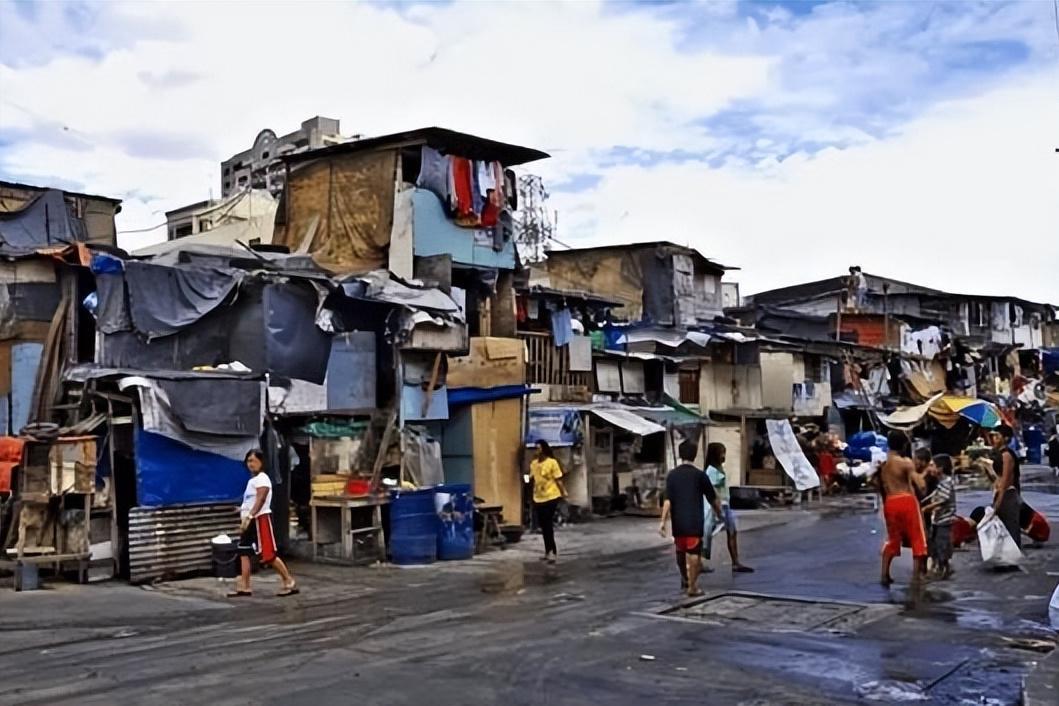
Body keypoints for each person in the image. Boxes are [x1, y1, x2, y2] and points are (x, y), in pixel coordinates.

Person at [230, 450, 298, 598]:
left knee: (268, 554)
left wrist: (250, 515)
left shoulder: (262, 479)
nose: (250, 464)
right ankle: (245, 586)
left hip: (260, 519)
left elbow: (261, 500)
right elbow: (251, 501)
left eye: (253, 461)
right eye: (248, 461)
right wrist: (242, 510)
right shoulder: (252, 481)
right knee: (244, 552)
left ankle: (288, 581)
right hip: (249, 520)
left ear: (261, 462)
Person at [659, 441, 721, 597]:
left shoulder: (672, 476)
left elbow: (668, 500)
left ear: (680, 455)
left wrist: (662, 522)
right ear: (694, 455)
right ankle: (692, 587)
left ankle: (685, 579)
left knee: (681, 551)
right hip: (694, 520)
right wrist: (719, 513)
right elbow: (713, 498)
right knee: (694, 553)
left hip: (678, 521)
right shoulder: (700, 475)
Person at [878, 430, 927, 587]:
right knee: (917, 538)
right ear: (904, 445)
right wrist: (926, 472)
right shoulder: (905, 462)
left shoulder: (884, 465)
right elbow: (921, 484)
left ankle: (884, 574)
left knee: (893, 539)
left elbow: (878, 485)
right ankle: (917, 578)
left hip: (890, 502)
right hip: (906, 500)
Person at [703, 443, 754, 573]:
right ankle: (698, 562)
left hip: (726, 505)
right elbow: (712, 490)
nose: (724, 456)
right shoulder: (711, 471)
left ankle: (735, 562)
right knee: (706, 535)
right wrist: (717, 506)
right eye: (722, 453)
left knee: (732, 531)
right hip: (716, 507)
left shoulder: (719, 469)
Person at [530, 440, 567, 564]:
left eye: (539, 448)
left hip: (551, 496)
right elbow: (531, 478)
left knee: (548, 523)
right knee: (543, 525)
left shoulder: (552, 463)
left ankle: (552, 551)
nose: (537, 451)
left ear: (544, 449)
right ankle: (547, 551)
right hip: (538, 496)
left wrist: (563, 492)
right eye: (536, 448)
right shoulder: (534, 464)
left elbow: (558, 479)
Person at [921, 454, 957, 579]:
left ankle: (944, 568)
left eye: (932, 465)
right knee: (935, 544)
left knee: (942, 544)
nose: (929, 468)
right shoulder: (941, 481)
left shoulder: (947, 481)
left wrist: (927, 508)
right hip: (937, 519)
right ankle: (939, 566)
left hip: (944, 520)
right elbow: (934, 494)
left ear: (940, 468)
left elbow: (943, 499)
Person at [991, 426, 1022, 550]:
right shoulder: (1000, 454)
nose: (994, 439)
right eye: (994, 436)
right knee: (1003, 526)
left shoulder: (1007, 455)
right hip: (1001, 493)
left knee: (1010, 526)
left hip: (1008, 494)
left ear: (1006, 438)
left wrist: (999, 500)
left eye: (997, 436)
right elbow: (998, 477)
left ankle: (1012, 556)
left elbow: (1006, 479)